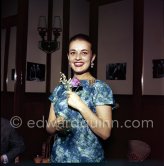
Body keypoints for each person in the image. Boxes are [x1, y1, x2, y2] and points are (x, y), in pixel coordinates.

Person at [46, 33, 115, 163]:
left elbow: (105, 133)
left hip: (89, 160)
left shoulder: (100, 88)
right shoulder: (59, 89)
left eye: (84, 52)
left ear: (92, 57)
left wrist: (81, 105)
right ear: (68, 57)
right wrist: (57, 124)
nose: (78, 57)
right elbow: (49, 128)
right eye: (73, 53)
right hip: (58, 159)